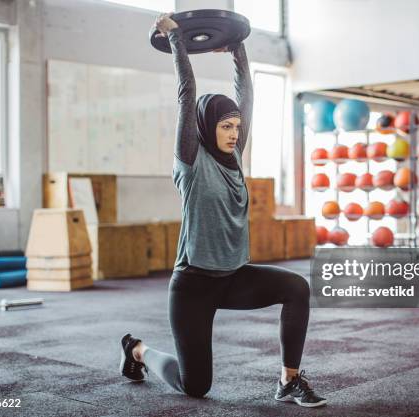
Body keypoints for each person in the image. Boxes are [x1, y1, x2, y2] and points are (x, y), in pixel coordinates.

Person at [119, 12, 327, 408]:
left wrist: (238, 48)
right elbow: (186, 92)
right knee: (196, 386)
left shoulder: (235, 157)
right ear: (205, 126)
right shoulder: (190, 161)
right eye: (225, 126)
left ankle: (289, 380)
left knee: (297, 288)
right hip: (193, 285)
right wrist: (177, 40)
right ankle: (137, 351)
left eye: (236, 126)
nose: (233, 133)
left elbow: (246, 93)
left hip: (233, 277)